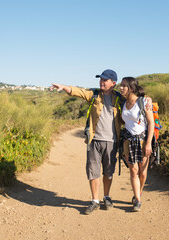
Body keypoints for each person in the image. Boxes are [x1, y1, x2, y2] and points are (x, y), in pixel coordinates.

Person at [50, 69, 122, 215]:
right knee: (93, 171)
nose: (101, 82)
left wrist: (146, 100)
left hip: (112, 141)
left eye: (105, 80)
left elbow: (134, 99)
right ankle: (95, 200)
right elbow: (79, 91)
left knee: (108, 172)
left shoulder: (120, 98)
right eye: (100, 79)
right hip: (94, 140)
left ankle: (106, 197)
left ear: (113, 83)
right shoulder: (94, 94)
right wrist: (64, 87)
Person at [119, 77, 154, 212]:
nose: (121, 88)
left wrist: (148, 143)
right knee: (133, 171)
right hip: (128, 141)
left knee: (143, 172)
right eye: (121, 85)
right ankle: (137, 199)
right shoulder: (122, 101)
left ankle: (139, 192)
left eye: (123, 86)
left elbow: (150, 123)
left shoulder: (143, 102)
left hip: (142, 140)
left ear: (131, 88)